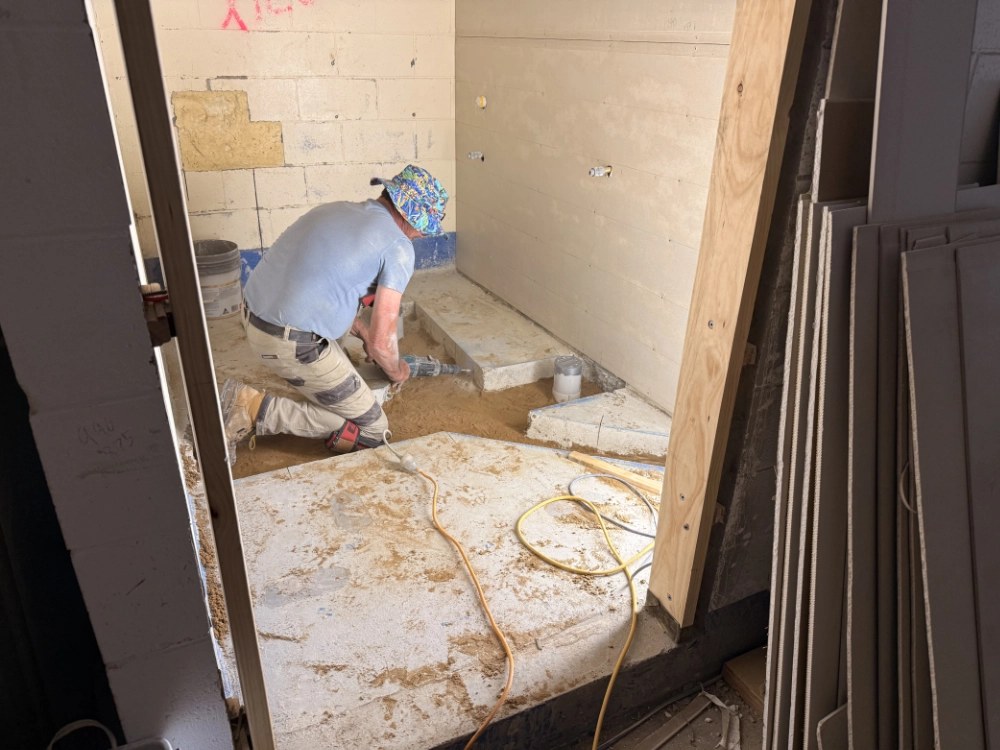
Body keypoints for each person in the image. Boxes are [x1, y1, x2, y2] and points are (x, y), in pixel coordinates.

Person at [220, 164, 448, 456]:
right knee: (372, 429)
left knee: (340, 373)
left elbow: (319, 286)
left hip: (252, 317)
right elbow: (382, 345)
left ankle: (313, 380)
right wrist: (397, 369)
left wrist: (362, 330)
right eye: (423, 227)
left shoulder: (335, 210)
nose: (421, 235)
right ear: (410, 216)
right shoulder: (399, 247)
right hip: (288, 342)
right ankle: (249, 407)